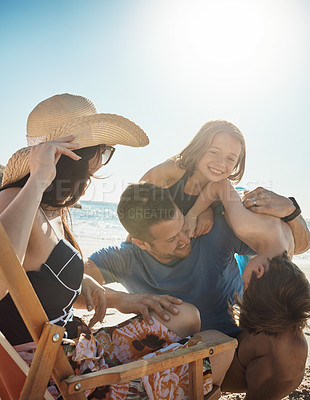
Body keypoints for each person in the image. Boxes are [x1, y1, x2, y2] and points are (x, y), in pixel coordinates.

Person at [0, 93, 232, 399]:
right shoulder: (17, 199)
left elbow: (34, 279)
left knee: (186, 315)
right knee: (218, 346)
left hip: (75, 352)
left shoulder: (45, 208)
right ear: (77, 157)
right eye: (102, 152)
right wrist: (39, 179)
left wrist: (116, 297)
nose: (98, 168)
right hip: (61, 376)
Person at [85, 182, 310, 399]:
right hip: (175, 364)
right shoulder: (124, 259)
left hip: (236, 352)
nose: (186, 238)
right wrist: (118, 298)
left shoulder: (211, 230)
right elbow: (70, 283)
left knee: (291, 343)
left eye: (182, 224)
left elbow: (292, 245)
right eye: (172, 239)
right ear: (142, 243)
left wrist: (292, 212)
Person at [140, 119, 246, 237]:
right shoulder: (173, 170)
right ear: (198, 147)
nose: (221, 163)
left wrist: (207, 211)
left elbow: (215, 206)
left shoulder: (219, 186)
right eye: (214, 152)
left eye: (230, 159)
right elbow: (134, 196)